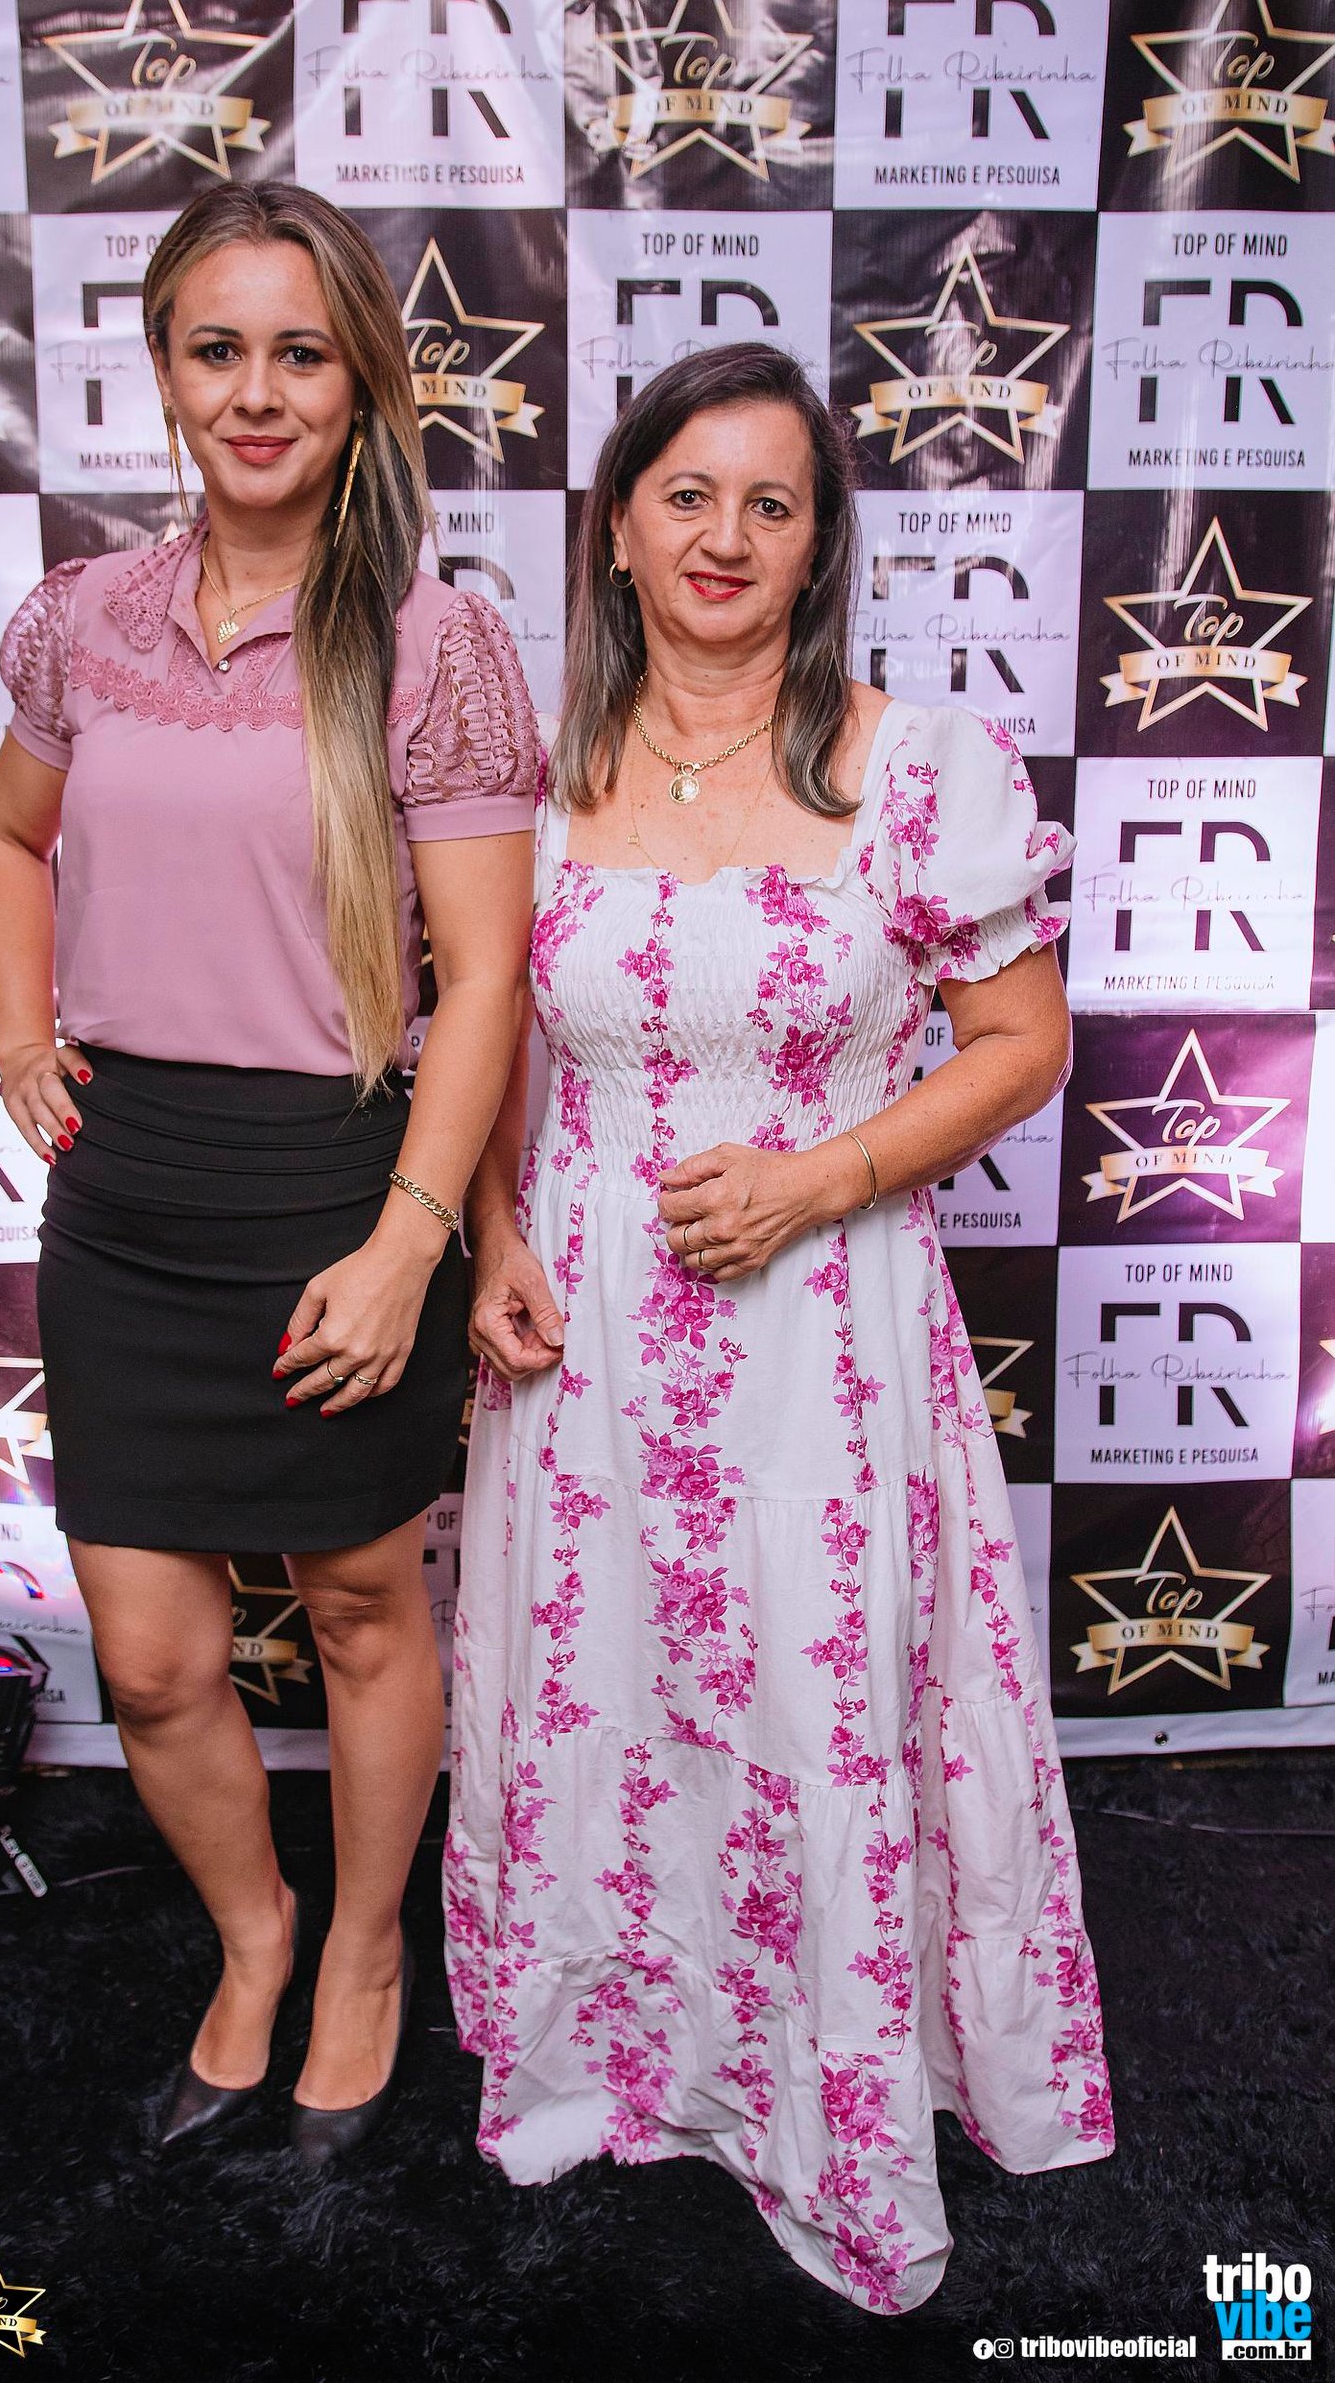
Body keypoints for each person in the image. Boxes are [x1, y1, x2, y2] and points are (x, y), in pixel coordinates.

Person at [444, 341, 1113, 2313]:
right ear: (617, 529)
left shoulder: (918, 765)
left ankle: (819, 2106)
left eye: (771, 502)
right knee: (604, 1703)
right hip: (580, 1345)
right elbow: (485, 1044)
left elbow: (1022, 1043)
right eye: (687, 495)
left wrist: (817, 1181)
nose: (724, 536)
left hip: (820, 1331)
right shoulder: (530, 776)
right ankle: (609, 2067)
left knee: (806, 1714)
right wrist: (489, 1236)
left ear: (818, 544)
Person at [0, 181, 540, 2164]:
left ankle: (364, 1952)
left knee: (366, 1610)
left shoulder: (433, 643)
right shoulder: (81, 619)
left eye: (302, 353)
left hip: (333, 1179)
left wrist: (409, 1240)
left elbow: (484, 981)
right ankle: (253, 1932)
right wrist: (20, 1037)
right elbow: (10, 838)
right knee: (147, 1660)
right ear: (162, 371)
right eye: (219, 349)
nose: (258, 392)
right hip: (128, 1196)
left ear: (361, 381)